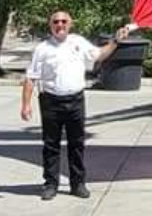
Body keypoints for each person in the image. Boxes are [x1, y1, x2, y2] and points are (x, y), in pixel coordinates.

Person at [21, 11, 130, 201]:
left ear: (70, 24)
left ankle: (77, 184)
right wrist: (26, 105)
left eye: (64, 21)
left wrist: (116, 40)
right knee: (51, 145)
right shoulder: (42, 49)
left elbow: (99, 55)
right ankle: (50, 184)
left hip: (75, 101)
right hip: (50, 102)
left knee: (77, 144)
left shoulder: (78, 42)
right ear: (50, 25)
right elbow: (30, 78)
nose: (60, 24)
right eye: (56, 21)